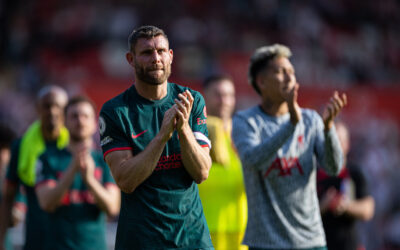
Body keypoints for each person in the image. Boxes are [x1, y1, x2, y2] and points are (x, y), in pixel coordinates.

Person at [99, 25, 213, 249]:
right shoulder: (115, 111)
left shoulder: (192, 100)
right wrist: (163, 135)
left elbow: (201, 172)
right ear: (131, 59)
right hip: (142, 240)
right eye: (146, 53)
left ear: (171, 56)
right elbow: (126, 181)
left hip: (192, 238)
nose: (156, 58)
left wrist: (183, 129)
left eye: (161, 51)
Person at [232, 44, 347, 250]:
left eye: (292, 72)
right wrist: (290, 125)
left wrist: (329, 129)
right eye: (280, 71)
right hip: (266, 242)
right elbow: (251, 160)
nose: (289, 77)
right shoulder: (246, 121)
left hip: (311, 240)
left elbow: (333, 168)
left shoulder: (311, 119)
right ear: (261, 82)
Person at [35, 96, 120, 250]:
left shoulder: (105, 160)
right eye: (74, 116)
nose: (80, 121)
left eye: (85, 116)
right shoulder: (47, 158)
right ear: (64, 122)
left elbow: (113, 207)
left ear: (95, 124)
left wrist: (90, 181)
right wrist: (72, 169)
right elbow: (46, 203)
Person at [0, 85, 69, 250]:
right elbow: (8, 196)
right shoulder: (21, 147)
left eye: (57, 106)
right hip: (36, 238)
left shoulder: (74, 148)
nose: (52, 111)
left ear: (66, 111)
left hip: (69, 238)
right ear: (37, 109)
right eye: (47, 106)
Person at [198, 75, 247, 250]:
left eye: (229, 95)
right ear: (205, 96)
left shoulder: (245, 134)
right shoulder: (195, 133)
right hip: (204, 228)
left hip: (240, 230)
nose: (224, 101)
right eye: (218, 94)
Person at [317, 121, 374, 250]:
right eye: (331, 139)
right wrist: (323, 206)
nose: (335, 145)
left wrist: (346, 206)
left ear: (347, 145)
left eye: (339, 140)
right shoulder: (315, 174)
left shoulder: (354, 173)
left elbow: (368, 209)